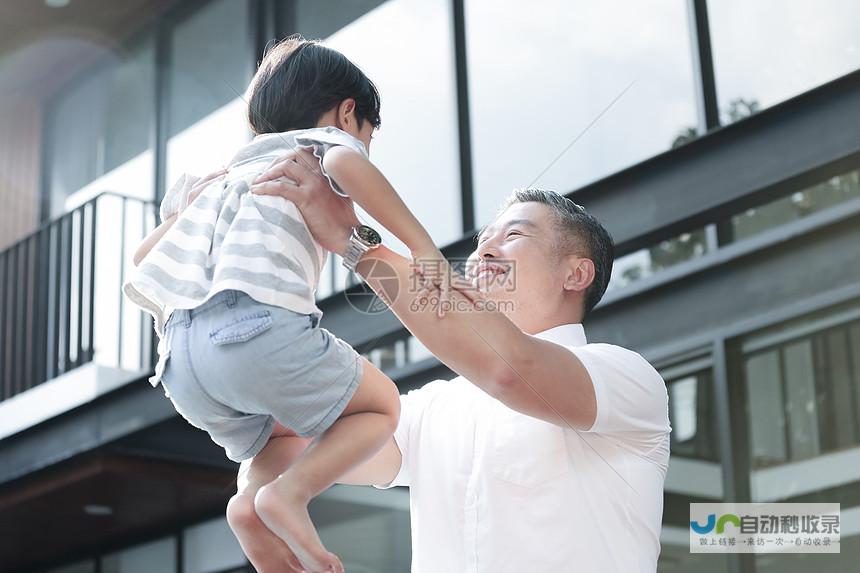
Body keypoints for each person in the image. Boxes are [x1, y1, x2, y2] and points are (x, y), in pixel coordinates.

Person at [124, 36, 462, 573]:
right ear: (347, 114)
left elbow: (144, 259)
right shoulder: (318, 145)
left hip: (181, 364)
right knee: (380, 407)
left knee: (281, 439)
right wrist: (424, 252)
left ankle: (251, 509)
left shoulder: (219, 178)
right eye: (366, 137)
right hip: (256, 331)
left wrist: (182, 214)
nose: (361, 151)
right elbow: (355, 173)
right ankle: (288, 497)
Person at [247, 150, 673, 572]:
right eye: (482, 240)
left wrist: (352, 240)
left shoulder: (625, 379)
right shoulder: (428, 409)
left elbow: (511, 370)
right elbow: (293, 440)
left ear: (576, 275)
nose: (483, 252)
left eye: (514, 236)